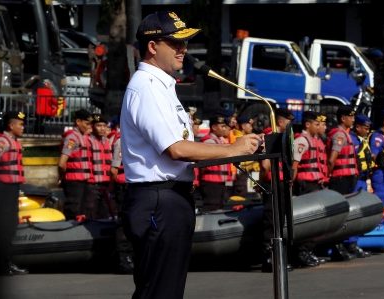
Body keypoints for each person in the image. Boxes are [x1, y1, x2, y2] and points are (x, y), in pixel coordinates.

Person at [119, 11, 261, 299]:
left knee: (166, 290)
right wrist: (233, 149)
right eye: (176, 42)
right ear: (153, 46)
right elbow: (176, 148)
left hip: (169, 197)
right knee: (159, 292)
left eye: (184, 42)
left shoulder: (161, 86)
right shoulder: (147, 88)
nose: (183, 49)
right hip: (158, 198)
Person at [0, 111, 28, 276]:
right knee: (4, 228)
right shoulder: (2, 142)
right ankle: (3, 264)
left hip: (12, 189)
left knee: (11, 227)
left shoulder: (14, 142)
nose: (23, 127)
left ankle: (7, 262)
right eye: (21, 124)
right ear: (11, 126)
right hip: (3, 190)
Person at [327, 107, 370, 260]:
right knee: (340, 215)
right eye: (350, 117)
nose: (353, 120)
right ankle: (338, 247)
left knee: (347, 214)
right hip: (339, 179)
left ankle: (345, 246)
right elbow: (332, 159)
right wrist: (328, 178)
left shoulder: (347, 135)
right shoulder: (340, 135)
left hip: (347, 179)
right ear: (342, 119)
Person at [257, 108, 295, 273]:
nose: (291, 125)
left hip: (281, 182)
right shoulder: (269, 137)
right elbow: (265, 165)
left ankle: (277, 257)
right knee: (272, 220)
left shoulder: (283, 138)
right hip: (273, 183)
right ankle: (269, 258)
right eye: (288, 121)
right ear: (280, 122)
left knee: (280, 220)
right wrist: (261, 181)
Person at [292, 111, 327, 267]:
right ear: (308, 124)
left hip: (315, 183)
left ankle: (309, 250)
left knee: (316, 220)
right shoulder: (302, 141)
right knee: (308, 220)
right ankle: (302, 252)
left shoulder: (314, 140)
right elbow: (294, 165)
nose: (320, 127)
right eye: (316, 124)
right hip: (305, 185)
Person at [58, 109, 92, 220]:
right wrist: (62, 176)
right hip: (74, 182)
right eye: (86, 123)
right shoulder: (72, 138)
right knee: (74, 210)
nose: (88, 127)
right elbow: (62, 163)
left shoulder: (82, 137)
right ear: (78, 121)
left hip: (83, 180)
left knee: (82, 212)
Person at [110, 126, 134, 274]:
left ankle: (131, 254)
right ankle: (122, 256)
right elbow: (114, 170)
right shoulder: (121, 141)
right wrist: (113, 188)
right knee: (124, 223)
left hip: (135, 186)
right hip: (124, 186)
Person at [198, 115, 233, 211]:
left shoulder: (218, 141)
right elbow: (203, 164)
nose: (224, 129)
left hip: (218, 182)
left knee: (217, 208)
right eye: (222, 126)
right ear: (214, 127)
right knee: (211, 208)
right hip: (211, 183)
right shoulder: (209, 141)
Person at [86, 114, 113, 220]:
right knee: (91, 211)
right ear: (92, 126)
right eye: (98, 125)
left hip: (105, 184)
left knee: (104, 213)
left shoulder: (106, 142)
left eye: (104, 126)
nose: (102, 128)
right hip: (92, 185)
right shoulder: (87, 141)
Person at [350, 114, 374, 192]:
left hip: (364, 178)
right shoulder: (352, 140)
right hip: (355, 179)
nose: (368, 131)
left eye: (368, 129)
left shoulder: (363, 140)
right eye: (366, 129)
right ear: (357, 127)